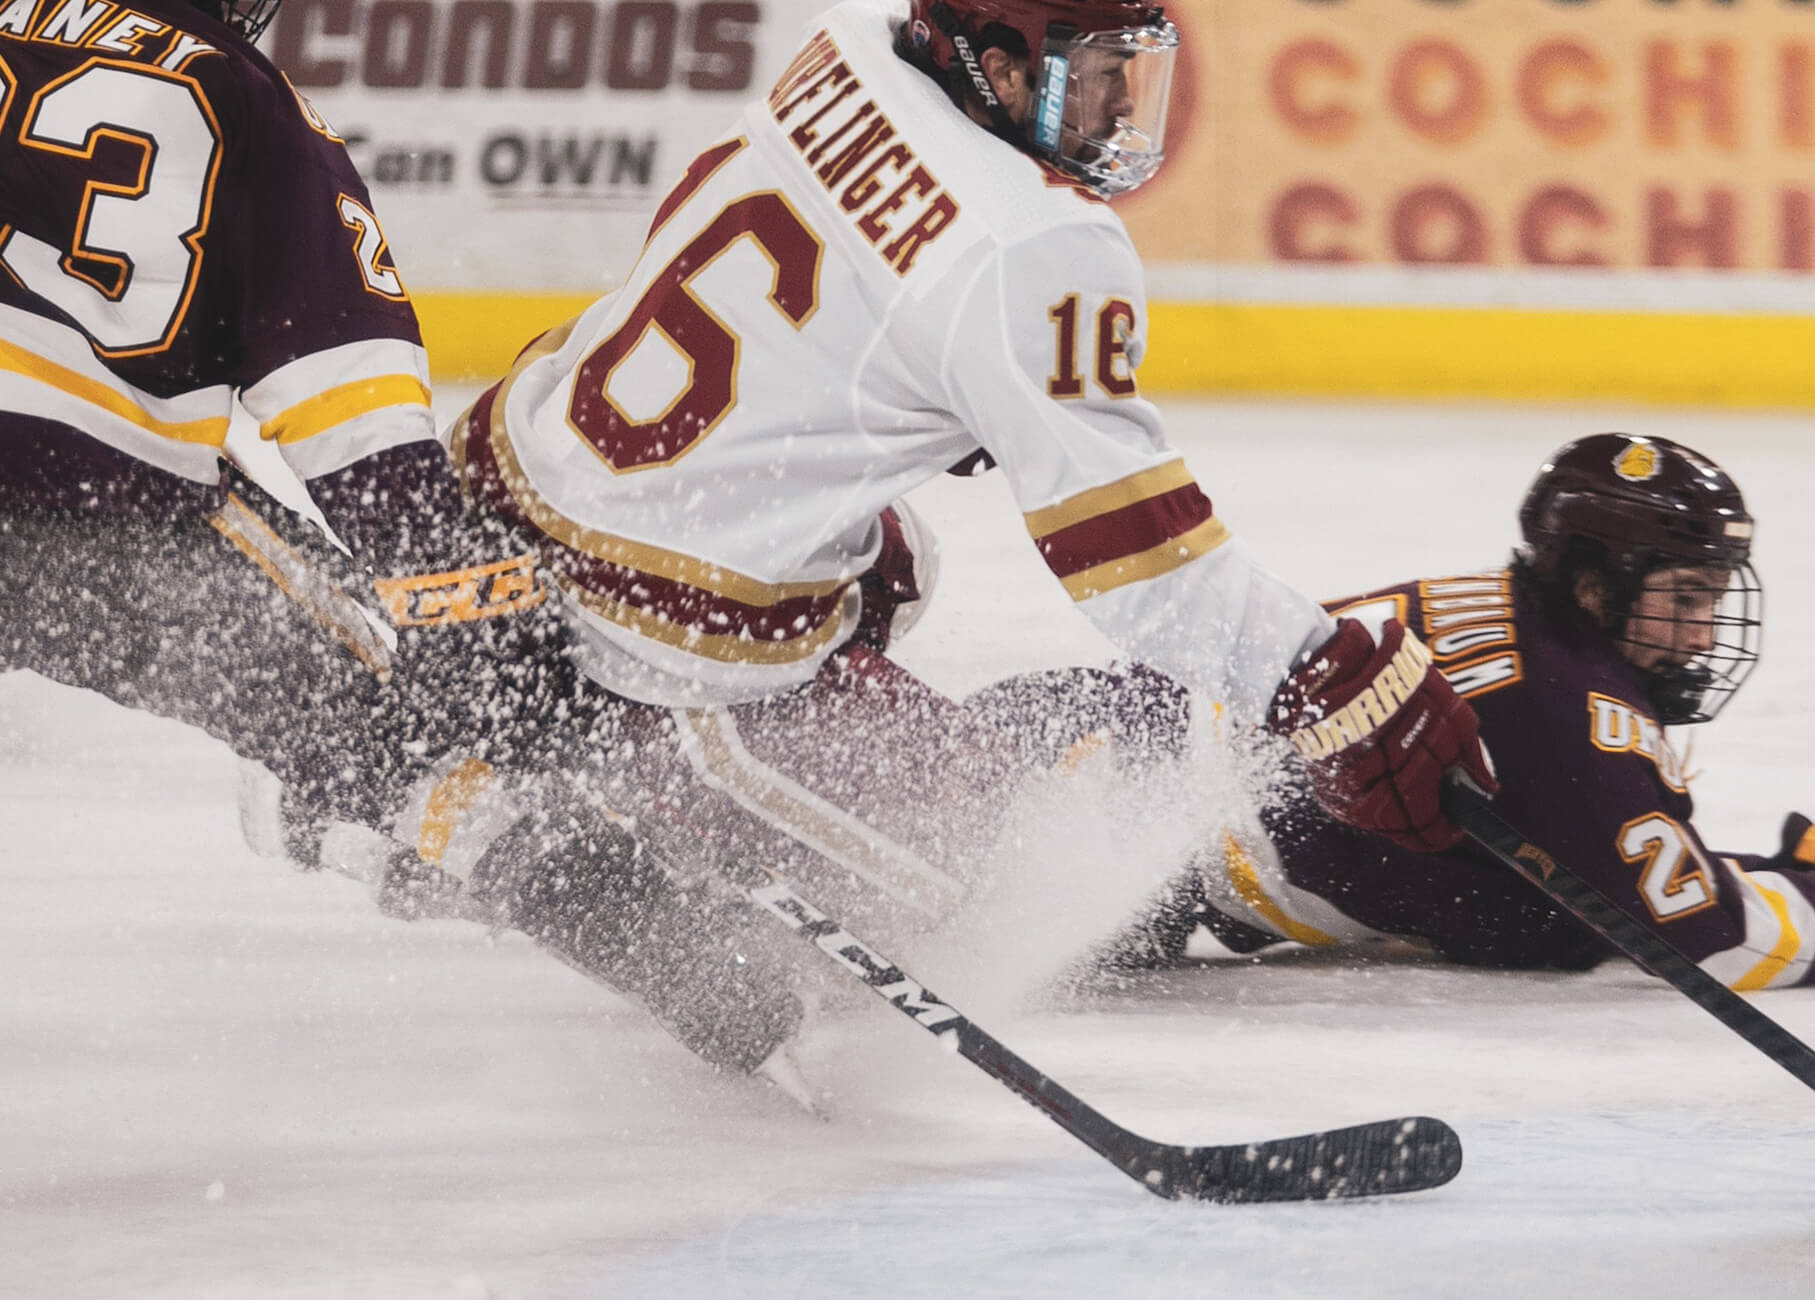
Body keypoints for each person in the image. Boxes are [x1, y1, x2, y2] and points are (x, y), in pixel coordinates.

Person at [437, 0, 1495, 1004]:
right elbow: (1140, 562)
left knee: (895, 560)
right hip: (663, 618)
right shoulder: (1039, 246)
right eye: (1093, 80)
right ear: (998, 67)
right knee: (1010, 883)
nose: (1122, 113)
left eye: (1133, 76)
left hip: (512, 466)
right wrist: (1320, 671)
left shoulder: (850, 42)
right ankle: (656, 774)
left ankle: (597, 730)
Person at [0, 0, 810, 1080]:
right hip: (85, 515)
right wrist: (472, 611)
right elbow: (353, 418)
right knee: (388, 721)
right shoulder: (248, 103)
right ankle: (670, 945)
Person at [1095, 434, 1815, 989]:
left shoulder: (1527, 626)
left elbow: (1598, 860)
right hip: (1094, 806)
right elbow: (1708, 933)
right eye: (1687, 597)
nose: (1704, 634)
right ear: (1597, 582)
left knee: (1546, 919)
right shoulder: (1571, 705)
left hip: (1121, 773)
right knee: (1550, 928)